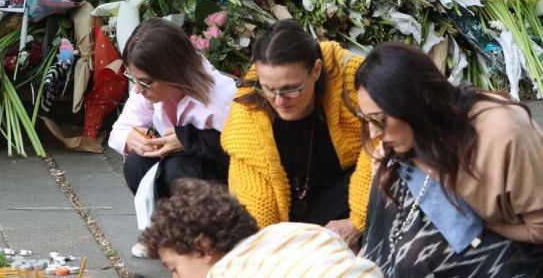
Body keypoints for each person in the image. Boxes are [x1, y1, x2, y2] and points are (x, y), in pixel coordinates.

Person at [355, 42, 543, 277]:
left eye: (380, 119)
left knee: (415, 261)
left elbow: (539, 230)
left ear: (414, 104)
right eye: (367, 119)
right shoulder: (404, 138)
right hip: (467, 221)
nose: (374, 133)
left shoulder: (503, 134)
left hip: (518, 252)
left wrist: (485, 223)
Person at [221, 20, 372, 248]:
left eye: (291, 89)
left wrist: (355, 223)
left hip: (348, 196)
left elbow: (385, 144)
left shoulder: (351, 80)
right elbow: (252, 195)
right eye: (269, 89)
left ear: (316, 70)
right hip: (289, 215)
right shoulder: (249, 108)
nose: (279, 101)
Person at [108, 18, 237, 258]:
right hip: (179, 170)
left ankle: (203, 239)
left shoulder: (221, 95)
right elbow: (120, 130)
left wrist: (188, 140)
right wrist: (131, 138)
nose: (137, 90)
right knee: (137, 162)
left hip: (219, 184)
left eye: (145, 83)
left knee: (179, 168)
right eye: (134, 79)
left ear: (172, 73)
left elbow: (238, 152)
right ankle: (164, 231)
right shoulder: (146, 91)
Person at [140, 178, 382, 278]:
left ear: (203, 248)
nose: (175, 277)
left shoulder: (226, 272)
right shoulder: (294, 231)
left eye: (175, 268)